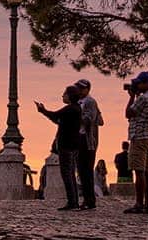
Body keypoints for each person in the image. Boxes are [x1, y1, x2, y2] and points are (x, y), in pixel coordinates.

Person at [35, 85, 82, 211]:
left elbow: (55, 116)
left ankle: (72, 201)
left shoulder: (70, 109)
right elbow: (58, 119)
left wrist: (42, 110)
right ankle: (74, 201)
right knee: (70, 173)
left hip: (66, 145)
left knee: (67, 173)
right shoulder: (76, 109)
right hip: (72, 145)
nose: (62, 96)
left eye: (64, 94)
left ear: (70, 96)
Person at [124, 71, 148, 214]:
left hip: (138, 137)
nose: (137, 84)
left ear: (147, 83)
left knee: (139, 172)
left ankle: (139, 204)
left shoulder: (143, 99)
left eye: (140, 82)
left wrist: (132, 96)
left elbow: (128, 113)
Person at [75, 78, 103, 210]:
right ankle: (86, 198)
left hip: (88, 140)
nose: (79, 90)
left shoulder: (90, 102)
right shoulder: (79, 102)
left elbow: (88, 119)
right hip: (80, 138)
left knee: (86, 170)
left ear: (87, 89)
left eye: (81, 88)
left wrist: (73, 116)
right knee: (81, 170)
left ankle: (89, 200)